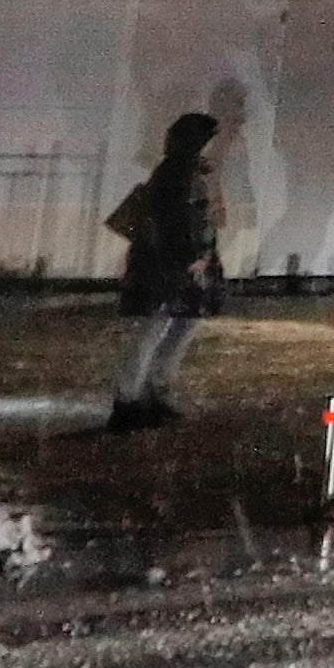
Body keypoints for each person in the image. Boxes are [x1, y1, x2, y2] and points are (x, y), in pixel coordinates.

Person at [105, 113, 221, 431]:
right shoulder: (177, 174)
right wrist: (192, 256)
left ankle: (149, 393)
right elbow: (180, 220)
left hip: (174, 265)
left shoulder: (182, 172)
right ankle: (131, 400)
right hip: (170, 267)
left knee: (176, 326)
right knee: (156, 328)